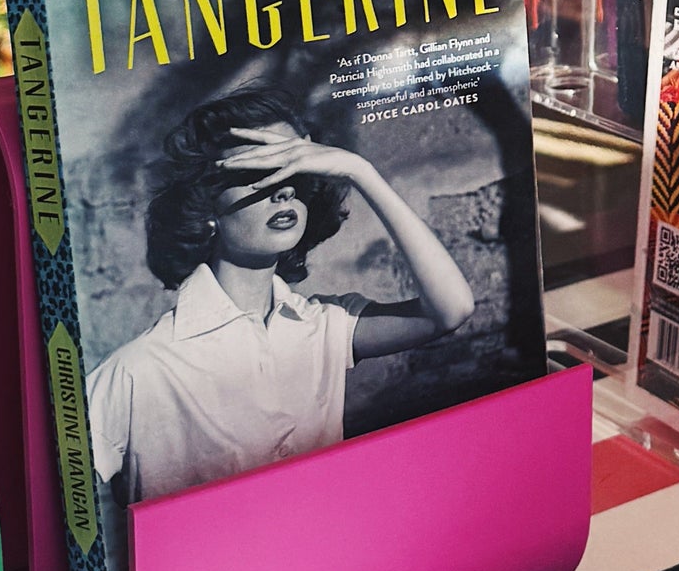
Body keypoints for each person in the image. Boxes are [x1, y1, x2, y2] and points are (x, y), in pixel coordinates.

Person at [86, 85, 475, 505]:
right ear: (207, 209)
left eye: (295, 173)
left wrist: (360, 171)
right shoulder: (138, 371)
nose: (284, 190)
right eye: (258, 172)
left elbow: (450, 310)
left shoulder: (324, 325)